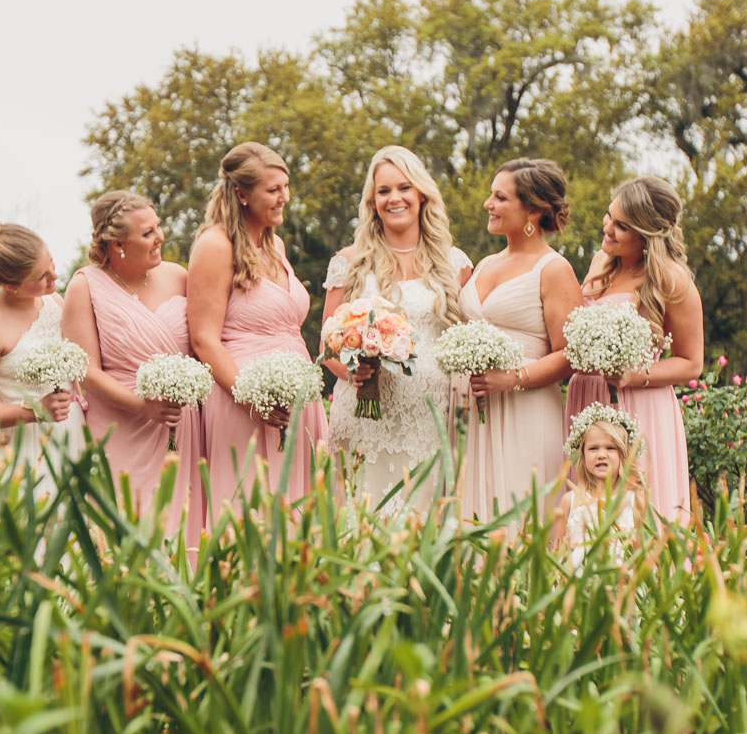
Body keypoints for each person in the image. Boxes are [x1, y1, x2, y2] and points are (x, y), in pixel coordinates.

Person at [322, 146, 472, 519]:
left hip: (430, 419)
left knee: (421, 529)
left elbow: (462, 341)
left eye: (404, 187)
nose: (395, 198)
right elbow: (327, 345)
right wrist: (352, 373)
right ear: (372, 201)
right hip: (363, 418)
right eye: (384, 191)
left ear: (421, 193)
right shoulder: (349, 262)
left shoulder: (454, 264)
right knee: (362, 522)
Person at [189, 142, 329, 516]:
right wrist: (252, 398)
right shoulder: (216, 246)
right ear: (242, 194)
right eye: (273, 190)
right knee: (250, 509)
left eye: (285, 187)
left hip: (296, 398)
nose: (284, 197)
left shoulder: (275, 244)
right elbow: (203, 339)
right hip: (243, 402)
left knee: (300, 513)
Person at [62, 190, 204, 548]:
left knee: (179, 528)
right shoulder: (84, 287)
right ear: (116, 244)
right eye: (147, 233)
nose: (160, 238)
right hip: (120, 425)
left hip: (180, 425)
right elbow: (85, 370)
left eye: (158, 227)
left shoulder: (178, 277)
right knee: (124, 531)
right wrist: (144, 407)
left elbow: (206, 341)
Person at [564, 176, 703, 526]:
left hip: (639, 405)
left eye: (622, 226)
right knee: (586, 517)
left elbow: (691, 364)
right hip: (588, 398)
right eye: (610, 216)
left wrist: (633, 377)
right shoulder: (602, 263)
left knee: (638, 516)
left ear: (646, 234)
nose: (607, 228)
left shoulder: (671, 279)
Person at [458, 158, 582, 523]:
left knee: (522, 515)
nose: (488, 204)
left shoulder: (554, 269)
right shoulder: (484, 264)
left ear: (532, 210)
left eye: (499, 197)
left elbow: (570, 355)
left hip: (524, 409)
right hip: (472, 413)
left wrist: (511, 378)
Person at [0, 217, 84, 488]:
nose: (54, 277)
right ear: (10, 285)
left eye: (50, 262)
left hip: (72, 437)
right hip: (21, 452)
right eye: (41, 277)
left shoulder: (54, 303)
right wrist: (34, 411)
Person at [556, 405, 648, 565]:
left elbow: (642, 555)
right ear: (582, 455)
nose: (601, 455)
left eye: (610, 448)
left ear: (623, 454)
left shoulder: (634, 501)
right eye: (593, 448)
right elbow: (557, 555)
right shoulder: (569, 501)